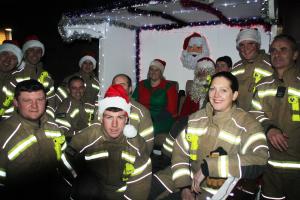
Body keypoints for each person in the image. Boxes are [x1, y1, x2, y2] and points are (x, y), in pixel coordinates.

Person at [170, 72, 268, 200]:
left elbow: (260, 159)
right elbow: (179, 154)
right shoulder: (195, 119)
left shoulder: (248, 124)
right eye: (212, 89)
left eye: (223, 90)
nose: (216, 95)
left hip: (226, 192)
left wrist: (209, 167)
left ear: (234, 95)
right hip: (190, 186)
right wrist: (184, 187)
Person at [61, 84, 152, 200]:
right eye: (109, 117)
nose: (114, 125)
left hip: (121, 195)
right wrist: (76, 182)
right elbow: (66, 160)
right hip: (93, 191)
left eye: (120, 117)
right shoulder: (88, 136)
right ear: (101, 118)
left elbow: (139, 188)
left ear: (127, 119)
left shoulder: (137, 145)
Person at [250, 34, 300, 200]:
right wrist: (269, 128)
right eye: (273, 50)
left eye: (283, 49)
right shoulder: (263, 85)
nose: (276, 54)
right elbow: (254, 112)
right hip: (270, 168)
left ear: (295, 54)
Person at [0, 79, 67, 199]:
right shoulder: (4, 135)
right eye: (27, 100)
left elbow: (63, 159)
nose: (35, 106)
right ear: (15, 102)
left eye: (39, 100)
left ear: (46, 101)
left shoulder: (53, 127)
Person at [6, 35, 56, 119]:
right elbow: (7, 103)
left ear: (42, 54)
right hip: (18, 122)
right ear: (25, 53)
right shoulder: (14, 75)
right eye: (31, 50)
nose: (35, 54)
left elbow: (51, 101)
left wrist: (47, 119)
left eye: (38, 51)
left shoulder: (46, 76)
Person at [132, 59, 178, 147]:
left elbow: (172, 111)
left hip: (161, 119)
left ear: (161, 72)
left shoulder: (169, 88)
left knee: (146, 129)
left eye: (156, 70)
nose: (153, 72)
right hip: (142, 116)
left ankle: (142, 150)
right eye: (151, 69)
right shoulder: (141, 84)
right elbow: (133, 102)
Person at [231, 28, 273, 111]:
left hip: (264, 119)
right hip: (240, 118)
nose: (246, 48)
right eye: (242, 45)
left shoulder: (272, 64)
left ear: (258, 45)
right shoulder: (236, 67)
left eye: (250, 43)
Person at [0, 40, 23, 120]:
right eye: (5, 54)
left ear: (17, 63)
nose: (8, 60)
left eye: (13, 57)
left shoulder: (19, 82)